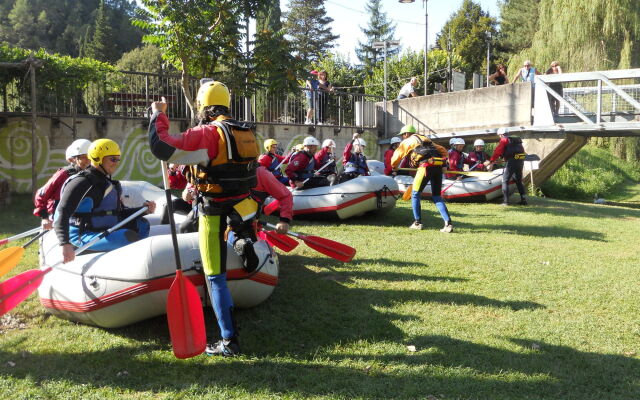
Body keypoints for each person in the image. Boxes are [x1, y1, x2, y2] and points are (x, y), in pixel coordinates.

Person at [148, 80, 260, 357]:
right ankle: (242, 239)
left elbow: (161, 146)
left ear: (203, 107)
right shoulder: (246, 131)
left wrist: (158, 114)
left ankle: (229, 341)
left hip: (214, 212)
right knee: (236, 237)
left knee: (216, 278)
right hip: (243, 207)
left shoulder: (208, 133)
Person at [54, 139, 156, 263]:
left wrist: (143, 210)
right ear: (97, 158)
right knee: (128, 236)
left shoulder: (107, 183)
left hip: (103, 228)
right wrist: (64, 243)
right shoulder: (81, 182)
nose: (116, 163)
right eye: (112, 159)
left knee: (142, 224)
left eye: (118, 159)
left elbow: (116, 214)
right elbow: (61, 212)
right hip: (82, 235)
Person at [391, 132, 453, 233]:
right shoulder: (427, 140)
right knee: (437, 196)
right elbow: (442, 150)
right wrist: (445, 165)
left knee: (415, 194)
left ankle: (417, 223)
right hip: (437, 167)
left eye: (402, 135)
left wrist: (394, 166)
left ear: (406, 134)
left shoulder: (408, 141)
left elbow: (397, 155)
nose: (402, 137)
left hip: (424, 168)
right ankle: (448, 224)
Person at [34, 139, 92, 230]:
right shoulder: (63, 174)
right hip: (58, 218)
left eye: (90, 157)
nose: (88, 161)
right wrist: (44, 218)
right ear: (74, 158)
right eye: (84, 157)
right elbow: (41, 194)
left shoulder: (92, 175)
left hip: (79, 219)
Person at [484, 128, 528, 206]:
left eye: (499, 135)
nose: (499, 137)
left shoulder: (504, 140)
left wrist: (490, 161)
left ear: (501, 134)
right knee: (518, 180)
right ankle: (523, 200)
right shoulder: (516, 140)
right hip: (520, 161)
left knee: (505, 180)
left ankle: (506, 202)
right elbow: (523, 151)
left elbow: (498, 151)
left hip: (511, 162)